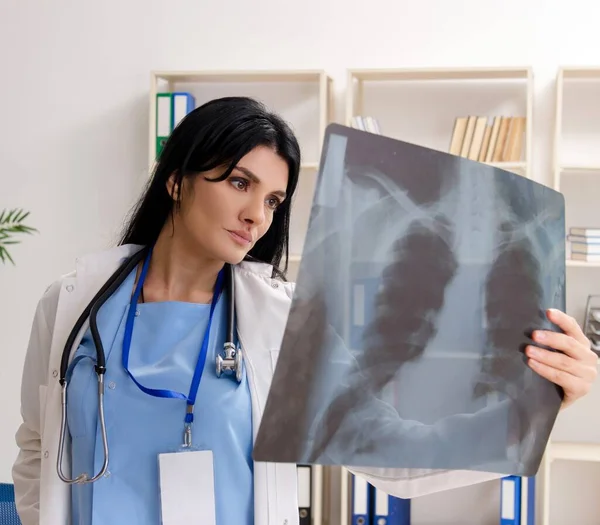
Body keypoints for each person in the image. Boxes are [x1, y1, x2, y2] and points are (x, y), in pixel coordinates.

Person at [11, 96, 598, 525]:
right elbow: (37, 448)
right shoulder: (72, 305)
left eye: (272, 200)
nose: (257, 217)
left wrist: (537, 404)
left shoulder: (281, 321)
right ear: (176, 179)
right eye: (239, 183)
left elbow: (392, 455)